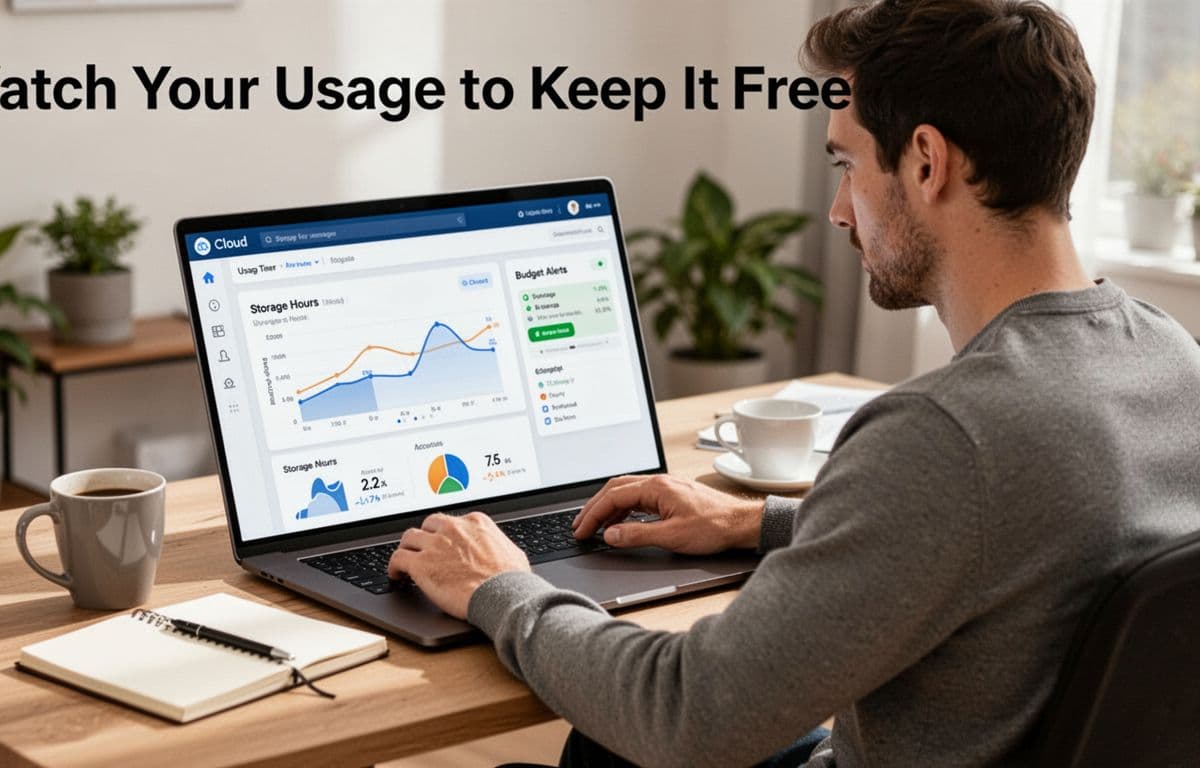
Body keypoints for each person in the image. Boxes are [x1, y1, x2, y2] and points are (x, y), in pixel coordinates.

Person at [387, 0, 1200, 765]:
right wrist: (758, 522)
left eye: (848, 163)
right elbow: (1013, 532)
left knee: (613, 735)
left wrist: (500, 586)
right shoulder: (1168, 357)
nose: (841, 210)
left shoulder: (946, 434)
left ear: (926, 162)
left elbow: (683, 716)